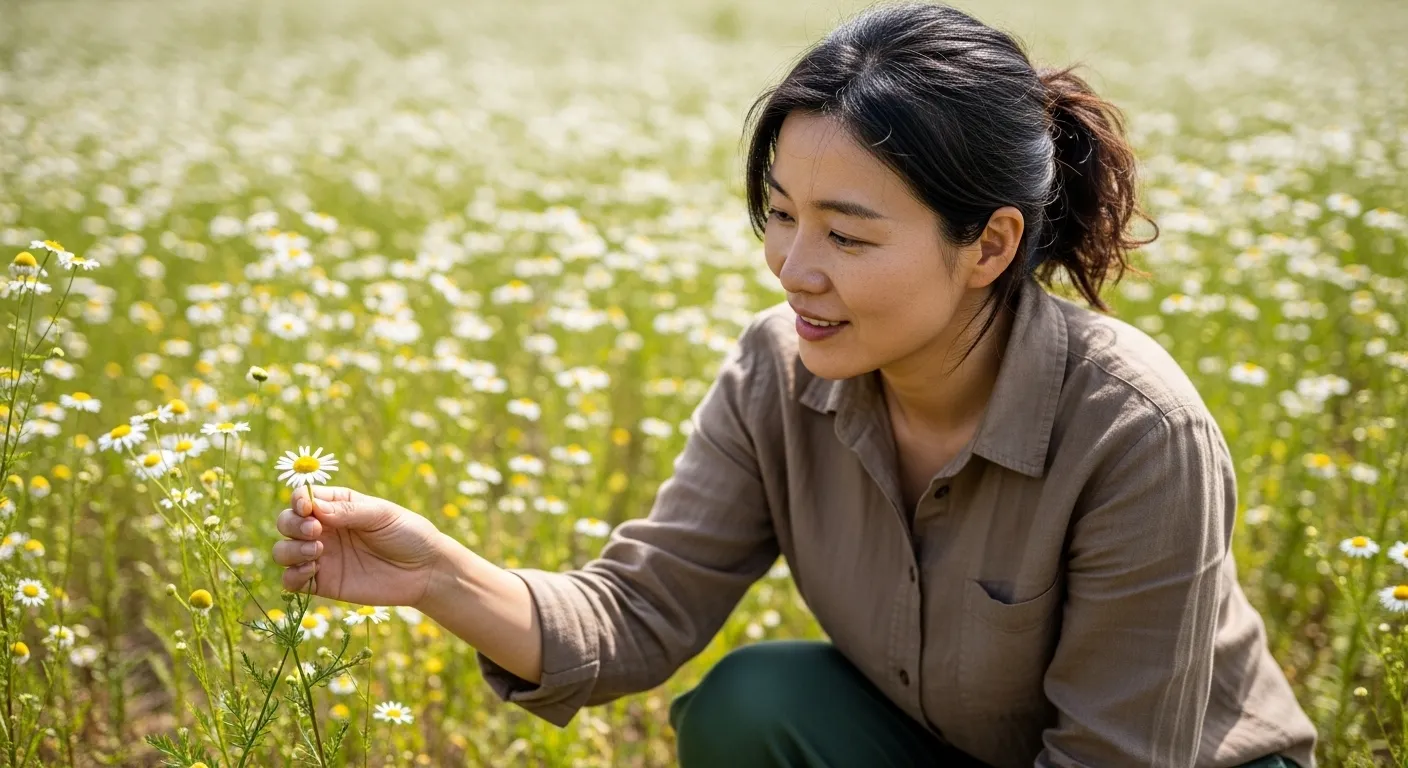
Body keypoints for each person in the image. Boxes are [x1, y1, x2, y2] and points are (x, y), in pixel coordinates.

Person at [270, 3, 1319, 766]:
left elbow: (1116, 756)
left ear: (991, 244)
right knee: (758, 702)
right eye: (780, 215)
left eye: (846, 236)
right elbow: (637, 610)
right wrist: (438, 577)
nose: (792, 268)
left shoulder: (1136, 431)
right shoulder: (778, 369)